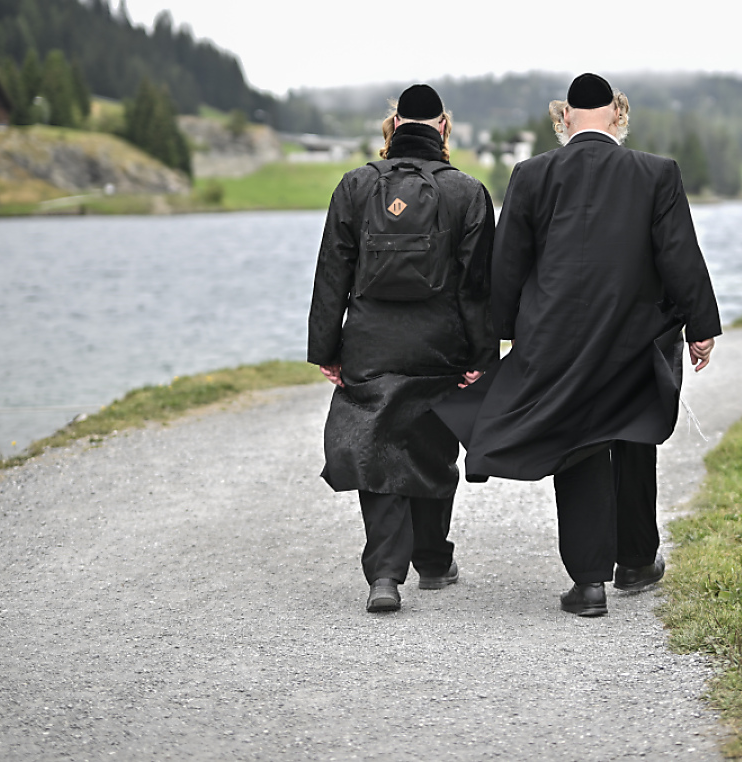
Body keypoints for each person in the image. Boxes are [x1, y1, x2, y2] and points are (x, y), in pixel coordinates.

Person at [438, 73, 720, 616]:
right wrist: (701, 325)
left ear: (564, 117)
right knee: (633, 432)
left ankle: (589, 583)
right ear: (618, 114)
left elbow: (508, 268)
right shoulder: (656, 173)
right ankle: (637, 561)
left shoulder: (531, 174)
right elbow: (679, 255)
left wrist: (492, 343)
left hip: (555, 338)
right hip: (635, 336)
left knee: (580, 443)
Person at [308, 84, 498, 614]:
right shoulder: (467, 192)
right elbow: (479, 285)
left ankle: (385, 576)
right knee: (432, 448)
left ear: (394, 126)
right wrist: (483, 358)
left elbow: (332, 275)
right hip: (441, 344)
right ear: (443, 127)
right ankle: (434, 561)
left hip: (370, 341)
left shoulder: (355, 185)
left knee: (375, 451)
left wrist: (326, 347)